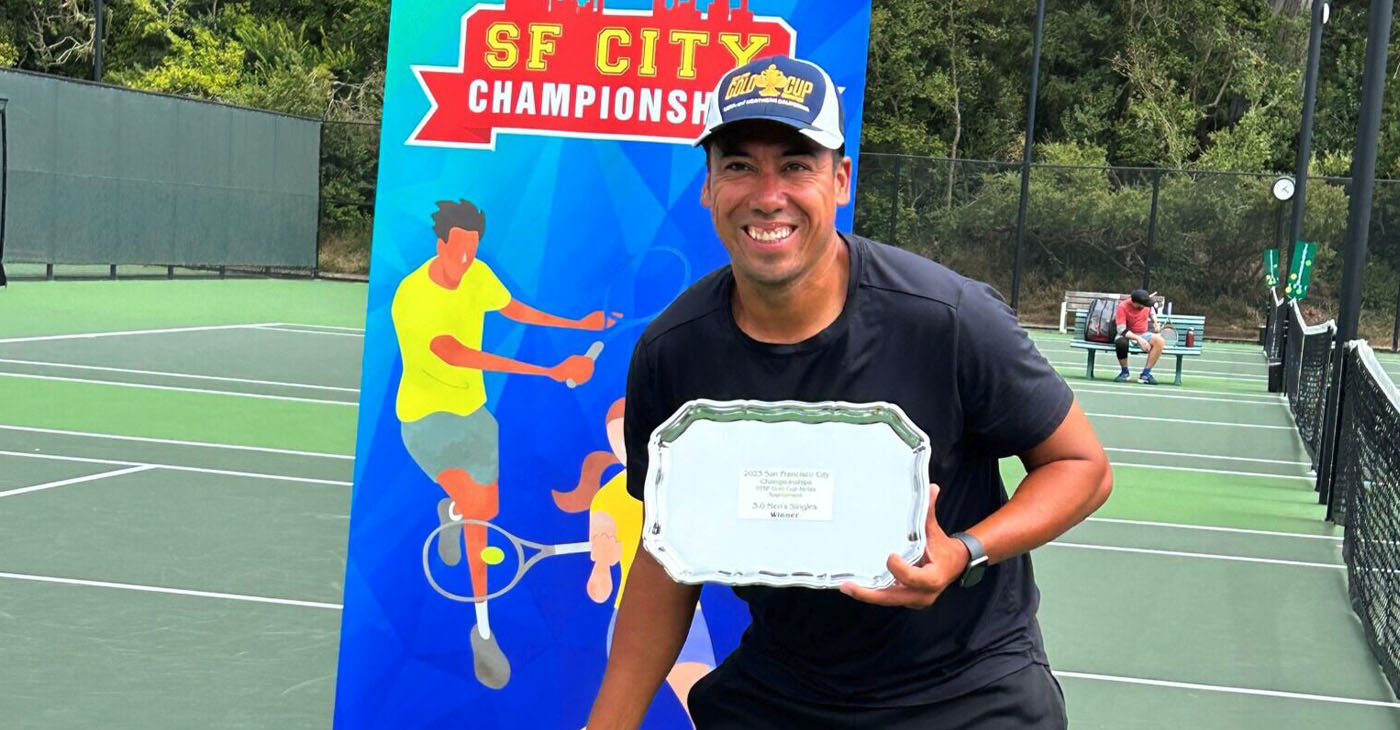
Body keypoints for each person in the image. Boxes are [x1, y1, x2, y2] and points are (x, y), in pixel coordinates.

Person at [584, 56, 1112, 729]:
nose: (767, 193)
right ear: (708, 187)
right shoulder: (673, 353)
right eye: (740, 165)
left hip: (967, 688)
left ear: (839, 180)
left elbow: (1082, 467)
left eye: (797, 164)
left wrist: (964, 551)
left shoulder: (947, 318)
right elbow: (665, 558)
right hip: (786, 687)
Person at [390, 199, 619, 690]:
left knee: (482, 510)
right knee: (479, 516)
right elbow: (458, 354)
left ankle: (450, 514)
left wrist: (577, 326)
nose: (468, 261)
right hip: (427, 422)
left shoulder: (477, 274)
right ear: (441, 244)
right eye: (460, 252)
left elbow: (512, 309)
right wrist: (550, 371)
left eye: (473, 251)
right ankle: (484, 629)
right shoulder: (413, 297)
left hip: (476, 420)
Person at [1113, 288, 1163, 385]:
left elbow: (1151, 312)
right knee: (1120, 342)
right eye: (1142, 305)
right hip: (1127, 334)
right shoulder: (1122, 307)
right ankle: (1124, 372)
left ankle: (1145, 374)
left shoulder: (1145, 304)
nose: (1144, 307)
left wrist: (1156, 322)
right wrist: (1139, 339)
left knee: (1160, 341)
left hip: (1144, 333)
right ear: (1134, 303)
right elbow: (1121, 330)